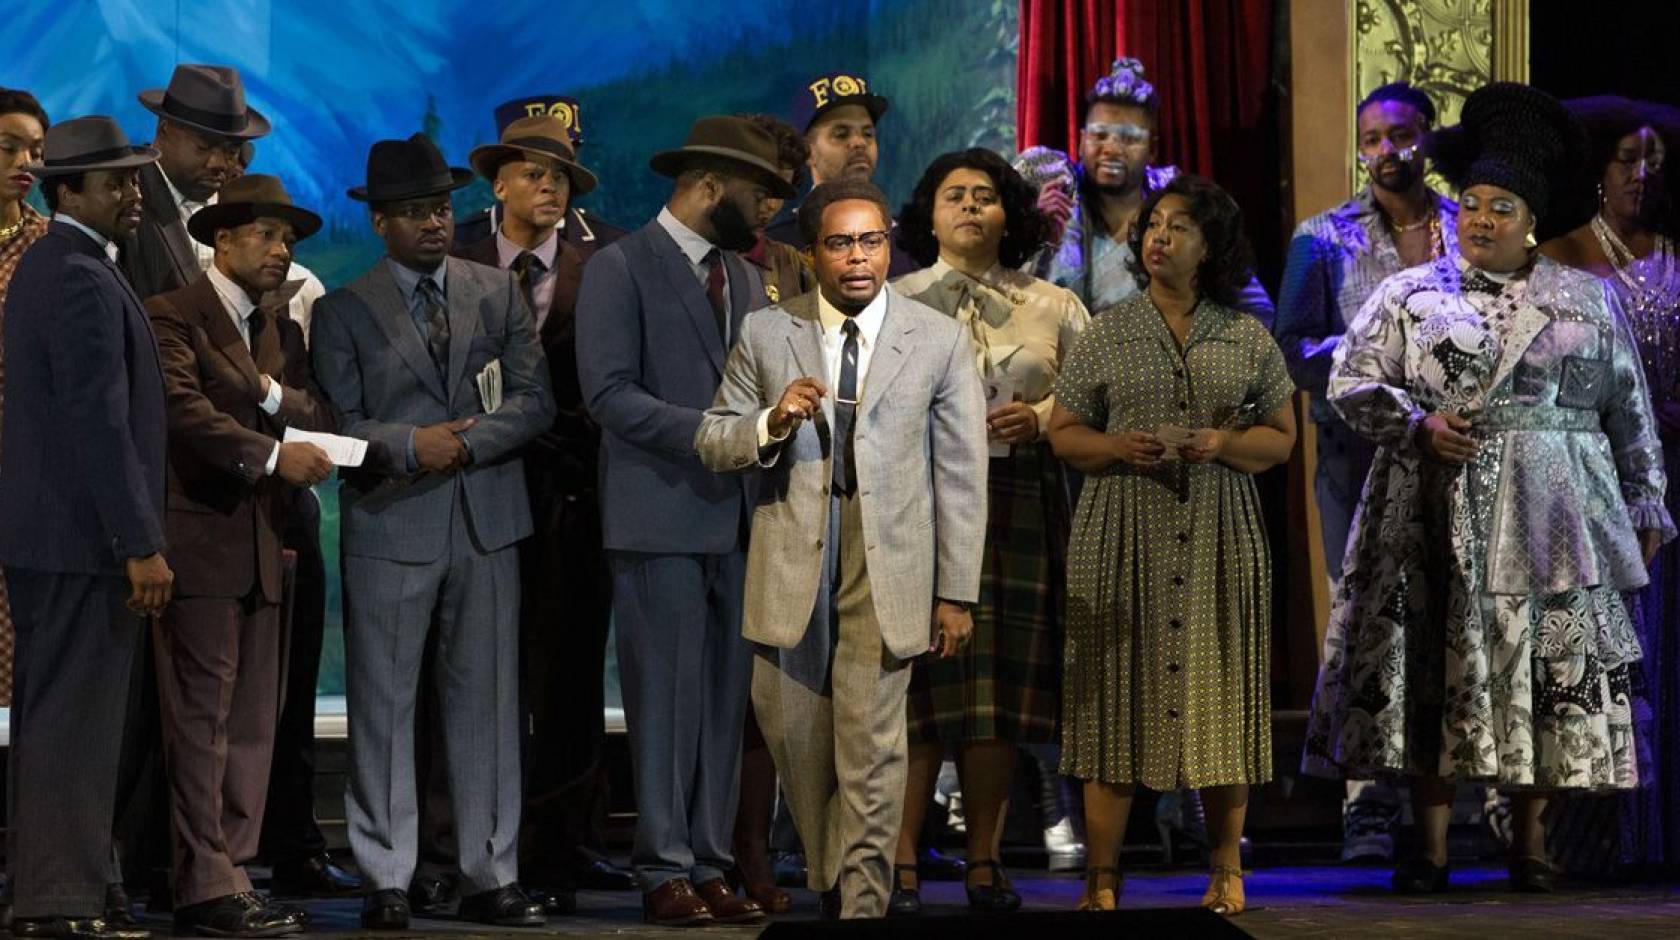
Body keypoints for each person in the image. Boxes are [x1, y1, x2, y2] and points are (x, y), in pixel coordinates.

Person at [1303, 82, 1675, 896]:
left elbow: (1628, 408)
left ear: (1530, 218)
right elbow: (1351, 379)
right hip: (1437, 505)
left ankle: (1530, 842)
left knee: (1540, 673)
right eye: (1470, 204)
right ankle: (1430, 845)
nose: (1479, 220)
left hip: (1556, 512)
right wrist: (1416, 424)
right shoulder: (1411, 294)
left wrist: (1646, 500)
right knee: (1442, 664)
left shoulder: (1588, 299)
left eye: (1498, 207)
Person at [696, 177, 987, 919]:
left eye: (872, 241)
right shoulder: (769, 332)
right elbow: (714, 438)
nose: (858, 258)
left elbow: (960, 473)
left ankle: (862, 903)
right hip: (795, 553)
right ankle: (832, 877)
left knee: (873, 743)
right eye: (840, 243)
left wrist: (956, 592)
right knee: (798, 739)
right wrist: (772, 421)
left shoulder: (939, 338)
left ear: (888, 244)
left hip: (887, 558)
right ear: (813, 251)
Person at [309, 132, 555, 930]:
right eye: (413, 212)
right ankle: (386, 873)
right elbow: (343, 425)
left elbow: (534, 400)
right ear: (379, 222)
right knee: (382, 707)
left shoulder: (496, 291)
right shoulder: (344, 310)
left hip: (485, 521)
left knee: (487, 704)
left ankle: (492, 871)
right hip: (391, 521)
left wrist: (469, 440)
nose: (432, 223)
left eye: (440, 208)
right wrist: (414, 444)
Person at [1049, 174, 1297, 915]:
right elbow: (1063, 432)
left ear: (1211, 244)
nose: (1159, 236)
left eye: (1179, 226)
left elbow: (1282, 439)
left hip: (1220, 532)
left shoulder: (1244, 333)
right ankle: (1101, 876)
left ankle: (1225, 869)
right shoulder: (1108, 330)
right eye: (1153, 224)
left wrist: (1222, 440)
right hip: (1122, 531)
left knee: (1222, 698)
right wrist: (1117, 445)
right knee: (1110, 704)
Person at [574, 115, 788, 928]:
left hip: (737, 522)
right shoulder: (619, 267)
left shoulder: (743, 276)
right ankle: (662, 864)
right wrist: (720, 434)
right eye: (758, 192)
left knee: (721, 704)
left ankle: (709, 860)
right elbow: (610, 395)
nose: (768, 208)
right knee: (662, 700)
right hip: (657, 517)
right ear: (707, 184)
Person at [886, 148, 1090, 914]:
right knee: (917, 683)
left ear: (1011, 212)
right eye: (953, 196)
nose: (969, 207)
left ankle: (983, 859)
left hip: (1019, 498)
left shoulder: (1056, 304)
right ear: (928, 215)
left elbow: (1094, 399)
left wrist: (1037, 419)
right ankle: (898, 859)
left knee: (997, 691)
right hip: (917, 496)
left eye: (985, 195)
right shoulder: (895, 299)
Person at [434, 113, 623, 914]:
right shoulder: (457, 258)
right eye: (535, 175)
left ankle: (563, 844)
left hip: (574, 493)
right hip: (478, 484)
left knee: (572, 672)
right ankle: (461, 845)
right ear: (499, 183)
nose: (551, 189)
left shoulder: (606, 261)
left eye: (563, 178)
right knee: (472, 671)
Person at [144, 174, 337, 937]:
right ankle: (202, 883)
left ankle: (234, 874)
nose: (282, 250)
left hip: (266, 546)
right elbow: (178, 411)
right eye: (267, 235)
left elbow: (316, 410)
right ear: (222, 240)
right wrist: (269, 456)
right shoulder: (173, 314)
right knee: (201, 723)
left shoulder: (279, 329)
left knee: (254, 722)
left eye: (287, 239)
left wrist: (267, 396)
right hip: (199, 542)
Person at [1274, 81, 1459, 863]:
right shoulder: (1323, 237)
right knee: (1363, 617)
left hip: (1452, 452)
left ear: (1426, 137)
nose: (1388, 151)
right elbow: (1292, 348)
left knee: (1454, 615)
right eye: (1374, 138)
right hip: (1360, 454)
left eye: (1402, 135)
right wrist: (1384, 367)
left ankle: (1459, 796)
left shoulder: (1464, 227)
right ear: (1359, 147)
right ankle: (1367, 804)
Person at [0, 115, 170, 940]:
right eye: (115, 182)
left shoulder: (68, 264)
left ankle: (79, 887)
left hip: (61, 541)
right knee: (71, 721)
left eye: (135, 178)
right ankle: (56, 899)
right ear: (67, 191)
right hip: (79, 543)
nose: (132, 193)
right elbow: (98, 424)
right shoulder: (72, 273)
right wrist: (139, 541)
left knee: (72, 719)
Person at [1540, 96, 1680, 874]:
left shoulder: (1673, 252)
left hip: (1677, 471)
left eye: (1652, 158)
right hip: (1601, 478)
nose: (1640, 172)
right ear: (1598, 169)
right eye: (1627, 157)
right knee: (1610, 651)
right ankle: (1598, 837)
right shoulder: (1564, 255)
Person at [727, 111, 812, 916]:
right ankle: (695, 850)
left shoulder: (793, 266)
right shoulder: (687, 261)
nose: (767, 202)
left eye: (780, 188)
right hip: (707, 483)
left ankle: (755, 848)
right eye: (759, 184)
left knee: (763, 693)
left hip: (781, 498)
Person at [1033, 58, 1274, 325]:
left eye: (1128, 138)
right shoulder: (1055, 197)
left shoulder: (1185, 206)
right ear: (1080, 141)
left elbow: (1257, 308)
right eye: (1100, 135)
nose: (1111, 148)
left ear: (1152, 149)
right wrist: (1033, 234)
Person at [123, 64, 270, 300]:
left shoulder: (240, 212)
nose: (219, 163)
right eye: (204, 146)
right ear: (164, 129)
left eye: (231, 151)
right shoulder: (125, 200)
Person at [764, 72, 918, 278]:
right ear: (807, 152)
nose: (859, 143)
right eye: (841, 134)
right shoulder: (777, 244)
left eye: (868, 134)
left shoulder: (912, 239)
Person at [0, 86, 49, 714]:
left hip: (25, 471)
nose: (25, 161)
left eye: (36, 149)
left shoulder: (46, 245)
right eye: (9, 146)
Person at [452, 94, 627, 250]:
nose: (549, 185)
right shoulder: (459, 244)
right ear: (501, 185)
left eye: (567, 160)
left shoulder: (610, 245)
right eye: (533, 174)